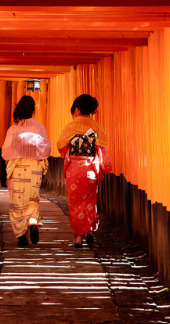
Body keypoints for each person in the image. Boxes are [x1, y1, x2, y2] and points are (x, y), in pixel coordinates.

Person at [57, 94, 112, 248]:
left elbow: (61, 145)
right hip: (90, 169)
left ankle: (78, 237)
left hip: (74, 169)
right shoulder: (97, 127)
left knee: (74, 204)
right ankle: (89, 232)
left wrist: (69, 153)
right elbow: (101, 148)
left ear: (78, 109)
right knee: (90, 201)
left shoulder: (70, 127)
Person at [1, 95, 52, 247]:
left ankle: (21, 235)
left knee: (17, 203)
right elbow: (46, 149)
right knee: (33, 199)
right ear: (33, 110)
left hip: (18, 169)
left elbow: (6, 151)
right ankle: (33, 221)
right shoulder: (39, 128)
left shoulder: (14, 129)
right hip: (35, 169)